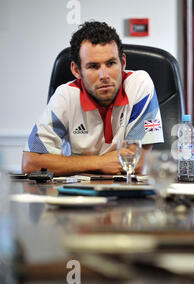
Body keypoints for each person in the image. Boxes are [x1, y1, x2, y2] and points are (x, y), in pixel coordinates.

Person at [22, 21, 164, 176]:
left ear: (122, 63)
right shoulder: (65, 96)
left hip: (128, 193)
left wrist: (73, 164)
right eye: (93, 67)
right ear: (76, 70)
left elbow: (137, 164)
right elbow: (30, 163)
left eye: (111, 63)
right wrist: (100, 162)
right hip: (77, 195)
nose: (104, 76)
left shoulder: (139, 85)